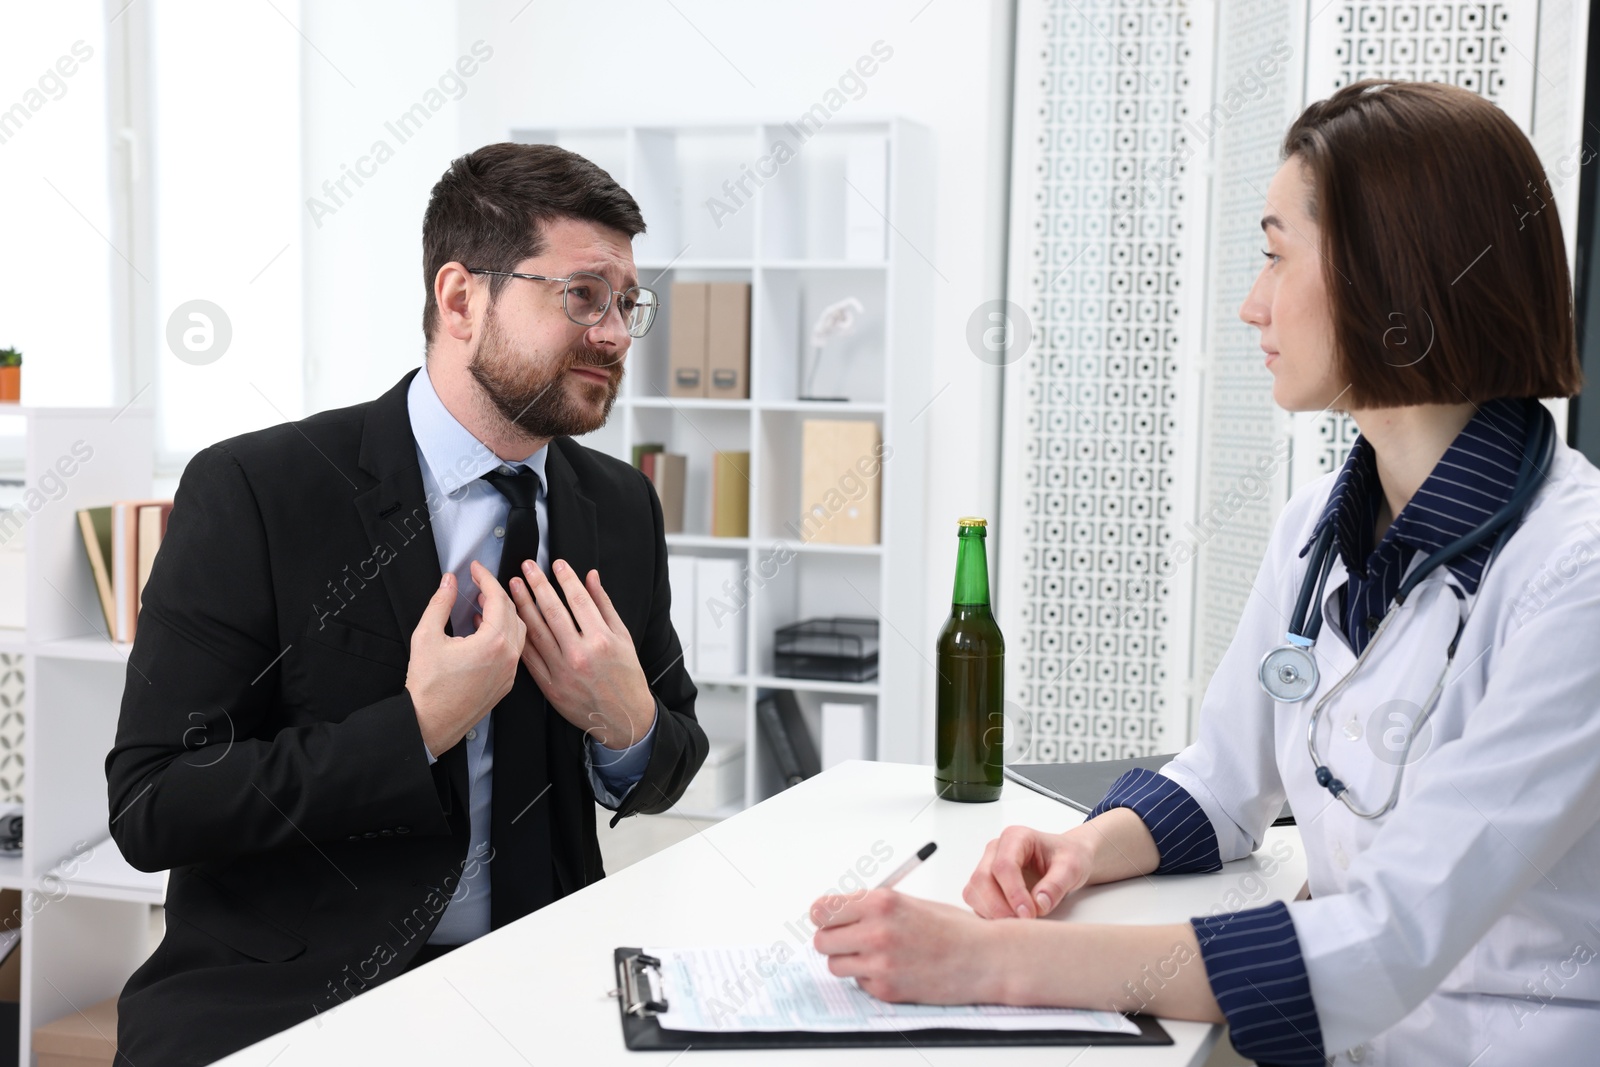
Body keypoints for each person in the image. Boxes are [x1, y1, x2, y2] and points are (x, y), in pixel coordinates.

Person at [811, 79, 1600, 1066]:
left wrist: (984, 958)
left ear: (1389, 276)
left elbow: (1390, 937)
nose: (1249, 302)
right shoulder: (1317, 528)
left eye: (1275, 256)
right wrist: (1081, 852)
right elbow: (1227, 777)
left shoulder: (1574, 573)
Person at [106, 142, 708, 1065]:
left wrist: (629, 726)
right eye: (583, 295)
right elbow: (154, 805)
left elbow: (670, 758)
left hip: (538, 991)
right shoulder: (258, 490)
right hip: (294, 1003)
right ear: (462, 299)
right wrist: (419, 724)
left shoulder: (619, 507)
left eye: (629, 303)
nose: (617, 333)